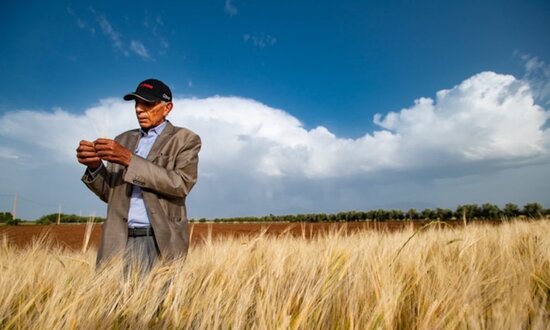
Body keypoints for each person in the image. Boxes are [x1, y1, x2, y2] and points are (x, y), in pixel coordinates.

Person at [76, 78, 201, 274]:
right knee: (114, 303)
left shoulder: (185, 139)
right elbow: (111, 194)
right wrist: (94, 166)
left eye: (148, 104)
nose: (139, 109)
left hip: (159, 240)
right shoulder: (122, 140)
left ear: (167, 107)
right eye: (137, 103)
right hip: (117, 239)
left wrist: (129, 160)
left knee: (155, 303)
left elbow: (181, 184)